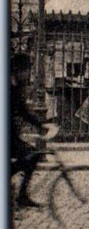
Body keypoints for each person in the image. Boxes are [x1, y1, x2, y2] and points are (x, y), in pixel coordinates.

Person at [11, 52, 47, 209]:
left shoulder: (16, 85)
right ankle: (21, 196)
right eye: (26, 70)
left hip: (10, 135)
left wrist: (40, 125)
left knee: (31, 156)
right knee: (30, 156)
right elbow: (21, 110)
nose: (28, 74)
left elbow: (23, 111)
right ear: (18, 70)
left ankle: (22, 196)